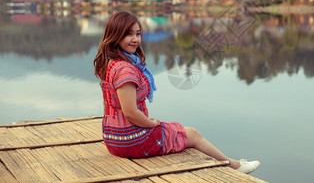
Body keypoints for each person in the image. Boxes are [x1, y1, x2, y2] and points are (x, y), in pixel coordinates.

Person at [94, 11, 260, 174]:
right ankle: (235, 166)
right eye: (128, 34)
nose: (135, 39)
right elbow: (130, 112)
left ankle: (233, 164)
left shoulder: (111, 64)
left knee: (175, 129)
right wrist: (151, 123)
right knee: (192, 134)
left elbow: (108, 105)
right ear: (115, 35)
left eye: (138, 34)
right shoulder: (125, 70)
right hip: (133, 140)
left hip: (113, 138)